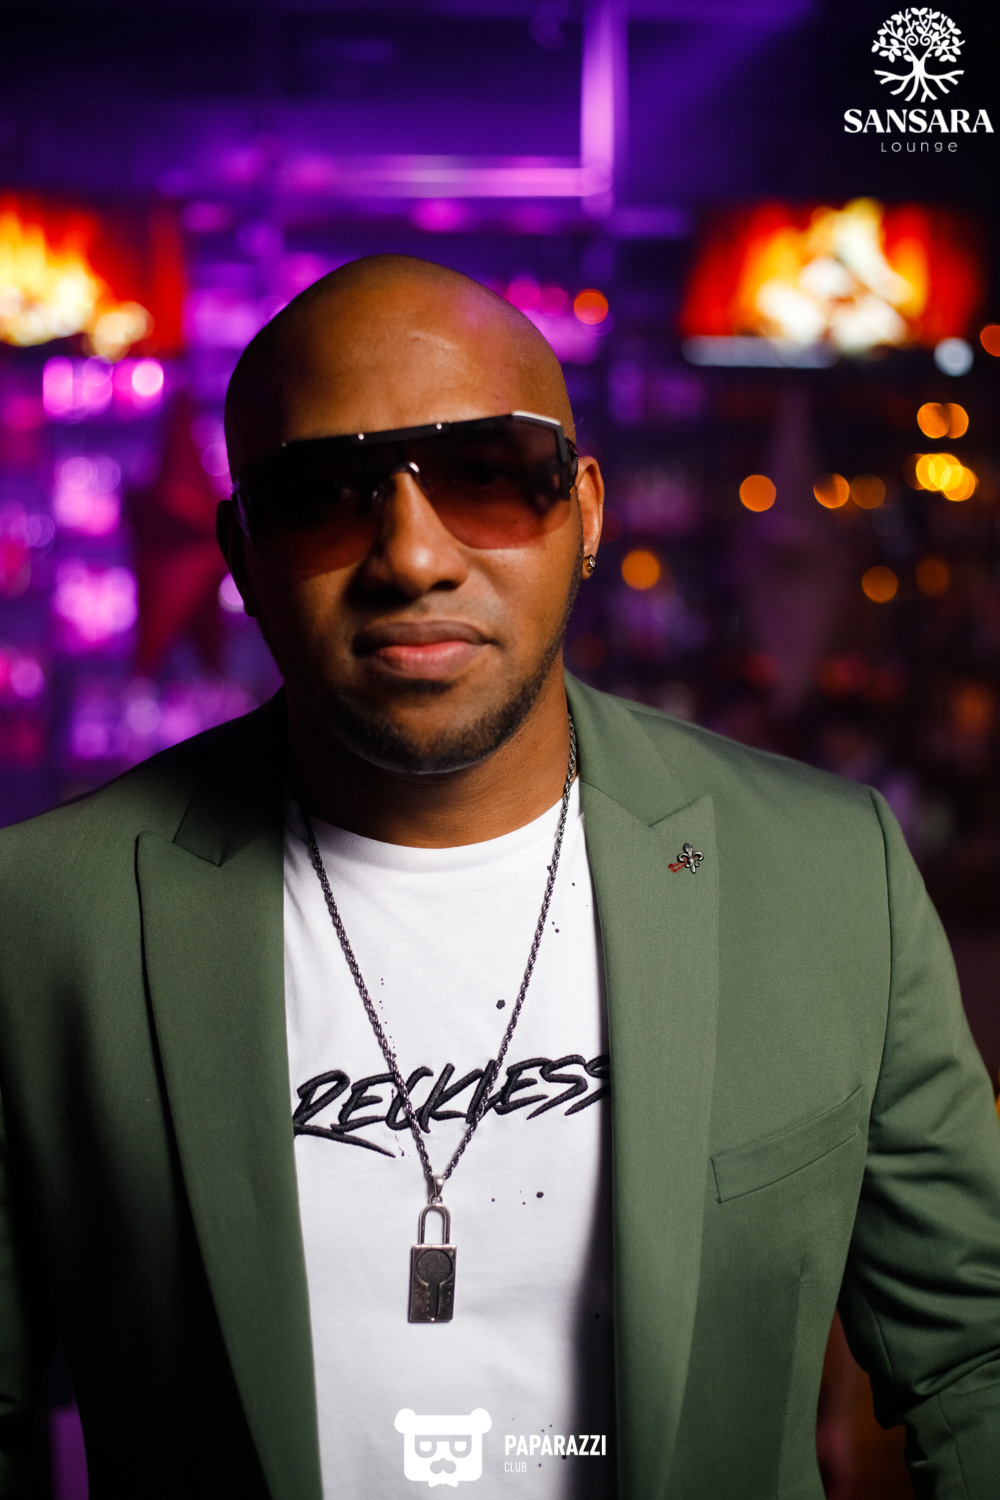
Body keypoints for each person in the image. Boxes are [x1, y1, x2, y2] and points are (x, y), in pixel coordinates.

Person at [0, 255, 998, 1500]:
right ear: (242, 557)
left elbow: (974, 1356)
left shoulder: (824, 871)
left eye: (484, 473)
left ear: (586, 511)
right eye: (323, 496)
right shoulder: (45, 919)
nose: (412, 556)